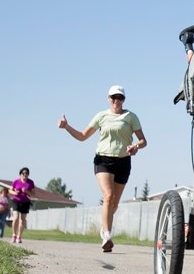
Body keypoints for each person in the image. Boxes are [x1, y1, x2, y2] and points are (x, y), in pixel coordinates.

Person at [58, 85, 147, 253]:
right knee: (108, 196)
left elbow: (143, 140)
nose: (116, 101)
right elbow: (83, 136)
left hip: (123, 161)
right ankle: (107, 235)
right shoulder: (101, 116)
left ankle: (104, 228)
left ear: (124, 100)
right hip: (103, 159)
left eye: (120, 98)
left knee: (114, 203)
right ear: (108, 99)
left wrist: (136, 146)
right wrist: (67, 127)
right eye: (113, 97)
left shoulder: (131, 117)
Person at [10, 167, 35, 244]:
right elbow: (10, 190)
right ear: (20, 174)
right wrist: (15, 193)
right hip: (16, 201)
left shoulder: (30, 182)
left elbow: (33, 195)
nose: (25, 175)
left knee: (23, 219)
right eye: (23, 173)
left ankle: (19, 236)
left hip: (25, 202)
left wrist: (27, 191)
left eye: (26, 173)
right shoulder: (16, 181)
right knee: (16, 218)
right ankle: (14, 235)